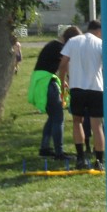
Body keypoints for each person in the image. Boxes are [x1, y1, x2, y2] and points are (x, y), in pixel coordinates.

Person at [58, 19, 106, 171]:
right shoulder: (100, 44)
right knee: (97, 125)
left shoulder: (73, 41)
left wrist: (62, 82)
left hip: (76, 86)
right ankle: (99, 161)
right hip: (96, 88)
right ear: (98, 31)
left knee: (77, 121)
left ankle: (80, 158)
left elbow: (63, 64)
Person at [30, 26, 79, 159]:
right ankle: (59, 152)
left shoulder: (53, 45)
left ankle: (45, 148)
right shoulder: (60, 48)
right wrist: (63, 84)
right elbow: (64, 67)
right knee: (58, 118)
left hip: (42, 82)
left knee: (53, 117)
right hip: (47, 83)